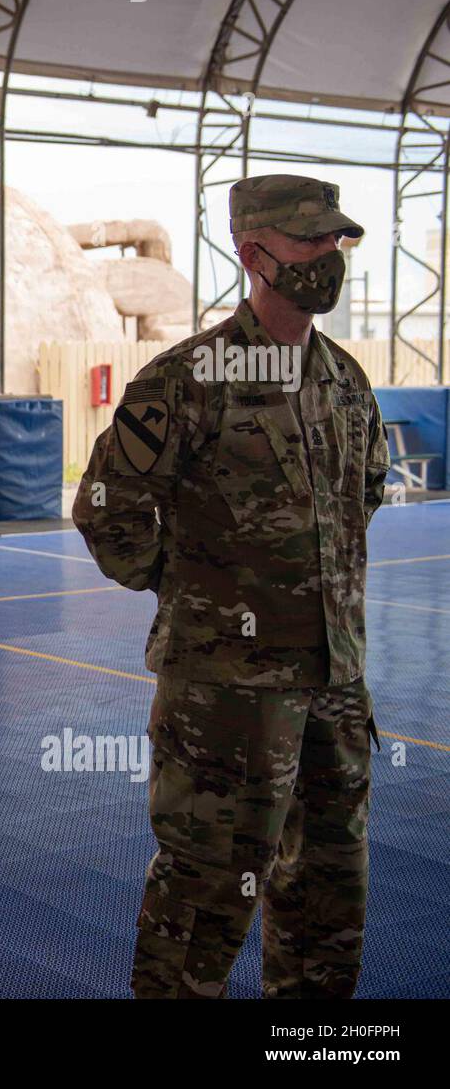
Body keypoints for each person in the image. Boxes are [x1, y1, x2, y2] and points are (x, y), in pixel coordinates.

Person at [73, 175, 391, 999]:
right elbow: (106, 509)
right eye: (310, 241)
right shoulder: (185, 381)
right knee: (206, 891)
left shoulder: (346, 380)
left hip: (335, 686)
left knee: (330, 892)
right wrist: (195, 598)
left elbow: (366, 496)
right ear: (253, 253)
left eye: (335, 241)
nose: (329, 256)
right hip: (227, 697)